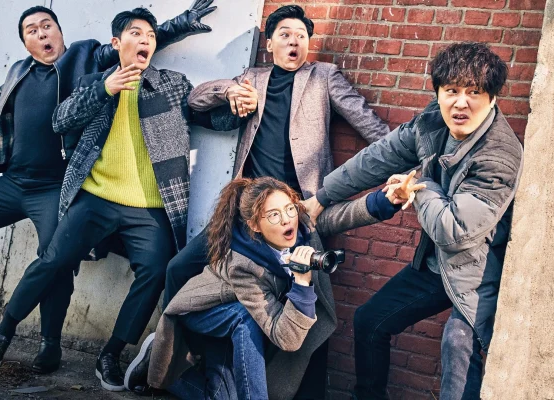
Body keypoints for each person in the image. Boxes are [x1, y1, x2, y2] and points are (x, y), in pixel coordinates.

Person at [0, 2, 216, 375]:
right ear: (25, 43)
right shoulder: (19, 72)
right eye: (32, 30)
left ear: (59, 31)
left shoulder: (84, 58)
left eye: (47, 26)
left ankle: (49, 343)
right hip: (14, 181)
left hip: (55, 187)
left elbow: (136, 41)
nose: (42, 33)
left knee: (54, 258)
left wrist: (181, 24)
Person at [165, 6, 391, 396]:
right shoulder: (252, 78)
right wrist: (230, 91)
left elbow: (365, 120)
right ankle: (179, 356)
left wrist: (405, 155)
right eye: (285, 34)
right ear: (269, 44)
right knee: (178, 268)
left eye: (301, 35)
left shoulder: (323, 77)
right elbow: (196, 100)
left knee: (313, 303)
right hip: (247, 213)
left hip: (299, 214)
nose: (294, 41)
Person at [302, 42, 524, 399]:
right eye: (451, 91)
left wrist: (419, 184)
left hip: (478, 272)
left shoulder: (499, 156)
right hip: (438, 265)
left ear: (492, 98)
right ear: (438, 93)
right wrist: (322, 197)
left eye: (474, 93)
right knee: (370, 321)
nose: (461, 103)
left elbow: (453, 231)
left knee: (458, 343)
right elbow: (379, 157)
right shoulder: (432, 122)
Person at [123, 176, 421, 399]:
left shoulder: (301, 225)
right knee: (244, 317)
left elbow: (344, 215)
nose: (286, 219)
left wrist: (388, 200)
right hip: (205, 313)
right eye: (274, 215)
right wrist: (302, 283)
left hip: (244, 322)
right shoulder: (243, 265)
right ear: (255, 225)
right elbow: (283, 336)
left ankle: (160, 369)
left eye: (289, 208)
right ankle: (160, 361)